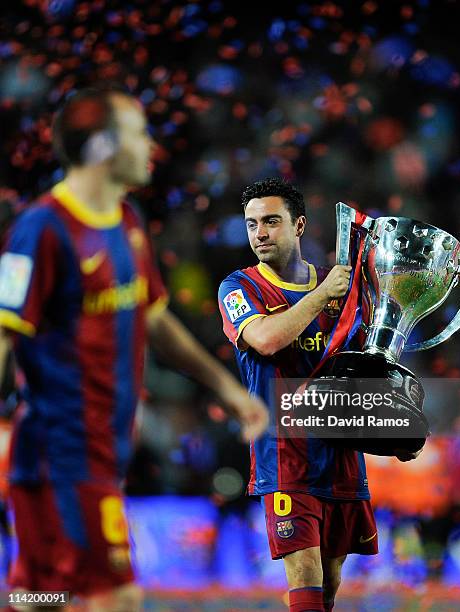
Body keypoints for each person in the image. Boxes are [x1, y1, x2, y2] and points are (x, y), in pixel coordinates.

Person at [0, 88, 268, 612]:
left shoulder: (126, 223)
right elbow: (3, 333)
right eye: (139, 132)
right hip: (65, 454)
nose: (151, 145)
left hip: (94, 451)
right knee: (117, 597)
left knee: (40, 596)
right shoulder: (42, 229)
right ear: (102, 146)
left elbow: (155, 321)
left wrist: (228, 390)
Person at [218, 178, 419, 612]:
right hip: (286, 453)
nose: (260, 234)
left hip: (341, 453)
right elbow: (268, 339)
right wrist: (320, 296)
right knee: (304, 577)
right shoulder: (239, 287)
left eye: (271, 221)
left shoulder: (343, 290)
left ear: (299, 225)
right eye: (252, 224)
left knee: (328, 587)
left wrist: (393, 421)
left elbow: (362, 369)